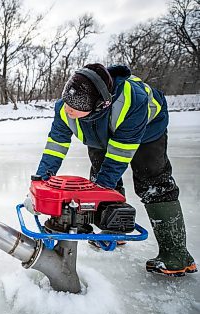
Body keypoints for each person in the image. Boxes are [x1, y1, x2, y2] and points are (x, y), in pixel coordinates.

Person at [34, 63, 197, 277]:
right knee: (99, 177)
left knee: (153, 183)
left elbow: (119, 156)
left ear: (101, 104)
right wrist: (42, 177)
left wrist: (101, 188)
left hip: (146, 130)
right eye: (67, 101)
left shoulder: (132, 100)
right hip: (98, 130)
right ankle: (115, 229)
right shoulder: (65, 109)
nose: (68, 108)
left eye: (77, 104)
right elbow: (56, 144)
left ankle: (176, 256)